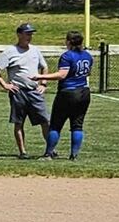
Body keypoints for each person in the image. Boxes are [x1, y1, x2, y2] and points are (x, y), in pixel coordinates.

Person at [0, 23, 51, 159]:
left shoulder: (35, 50)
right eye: (27, 33)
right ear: (19, 34)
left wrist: (43, 84)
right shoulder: (10, 51)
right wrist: (5, 84)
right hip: (18, 92)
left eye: (31, 34)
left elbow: (44, 67)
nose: (30, 37)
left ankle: (50, 149)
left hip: (34, 91)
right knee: (19, 123)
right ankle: (22, 152)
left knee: (45, 121)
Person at [37, 30, 93, 160]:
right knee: (77, 125)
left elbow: (62, 74)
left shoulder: (67, 56)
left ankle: (48, 154)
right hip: (84, 92)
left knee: (56, 125)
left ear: (68, 42)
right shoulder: (87, 55)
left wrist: (40, 76)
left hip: (68, 92)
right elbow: (88, 72)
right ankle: (74, 155)